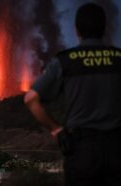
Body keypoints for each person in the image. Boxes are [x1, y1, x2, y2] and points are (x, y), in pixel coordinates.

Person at [24, 3, 121, 186]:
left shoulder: (66, 61)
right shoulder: (118, 59)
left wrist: (55, 128)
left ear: (76, 30)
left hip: (82, 150)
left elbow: (30, 99)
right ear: (105, 27)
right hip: (116, 149)